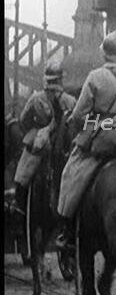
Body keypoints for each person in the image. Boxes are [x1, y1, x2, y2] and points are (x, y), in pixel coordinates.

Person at [56, 31, 116, 250]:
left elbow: (78, 116)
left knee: (71, 172)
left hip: (100, 143)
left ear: (104, 54)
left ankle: (67, 229)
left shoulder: (95, 77)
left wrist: (82, 132)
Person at [12, 60, 77, 218]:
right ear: (61, 79)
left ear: (46, 79)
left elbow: (23, 121)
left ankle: (20, 206)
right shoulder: (70, 101)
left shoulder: (35, 98)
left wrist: (36, 130)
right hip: (63, 149)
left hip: (40, 147)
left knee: (22, 176)